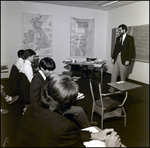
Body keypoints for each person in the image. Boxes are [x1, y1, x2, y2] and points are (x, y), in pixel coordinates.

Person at [16, 74, 123, 147]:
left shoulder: (31, 109)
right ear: (69, 104)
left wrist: (94, 135)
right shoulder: (65, 126)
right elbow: (63, 133)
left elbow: (62, 135)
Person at [29, 57, 91, 128]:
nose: (51, 72)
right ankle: (88, 128)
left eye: (52, 70)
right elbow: (34, 102)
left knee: (74, 103)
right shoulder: (36, 81)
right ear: (41, 68)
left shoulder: (42, 77)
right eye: (48, 70)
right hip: (49, 108)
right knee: (79, 110)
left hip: (51, 104)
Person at [109, 24, 135, 92]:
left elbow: (131, 50)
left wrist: (128, 60)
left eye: (120, 30)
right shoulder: (118, 38)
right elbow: (115, 49)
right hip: (117, 57)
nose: (119, 31)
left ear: (124, 30)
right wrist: (113, 58)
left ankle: (122, 90)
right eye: (118, 30)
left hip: (124, 59)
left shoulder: (130, 38)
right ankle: (112, 88)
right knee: (114, 74)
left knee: (122, 75)